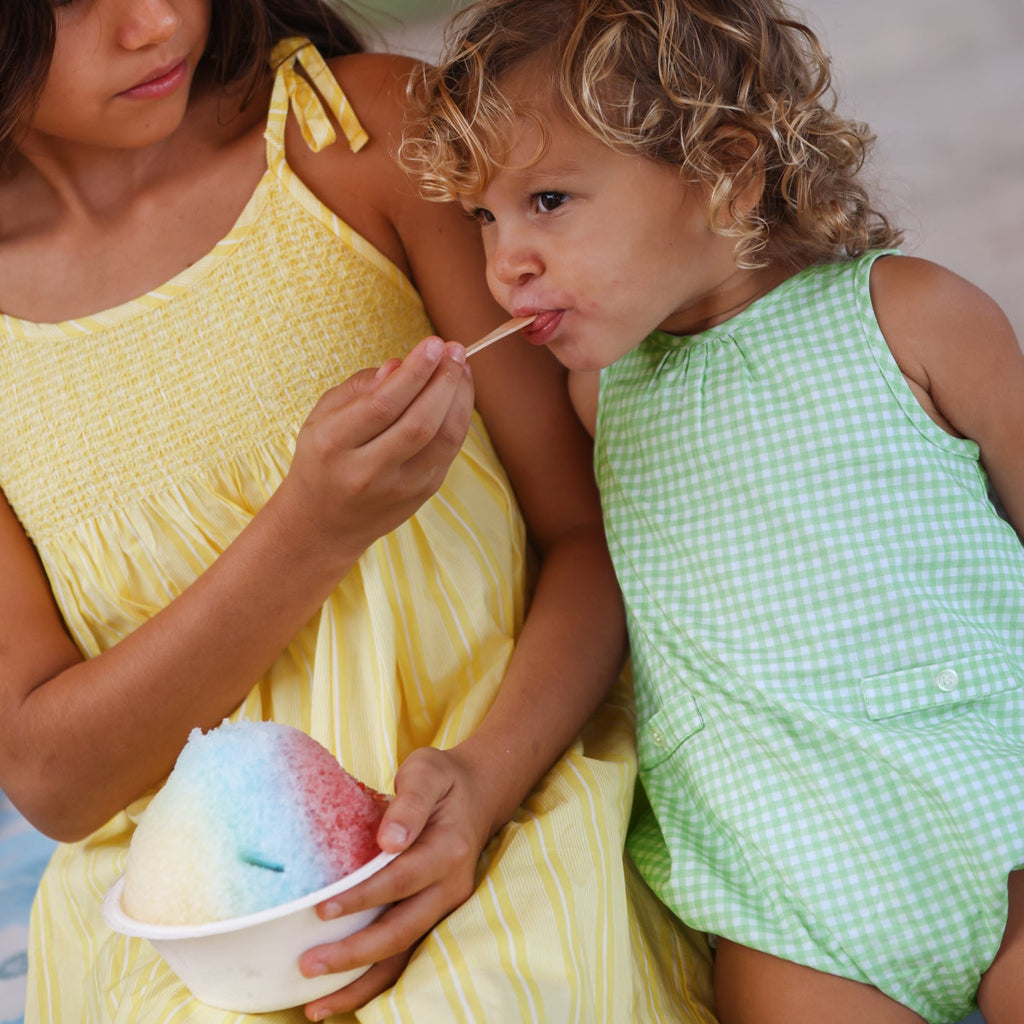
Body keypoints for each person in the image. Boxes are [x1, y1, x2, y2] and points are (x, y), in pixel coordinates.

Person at [0, 1, 718, 1022]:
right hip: (187, 919)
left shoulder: (360, 135)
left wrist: (478, 792)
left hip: (506, 795)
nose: (154, 20)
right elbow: (52, 780)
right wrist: (310, 531)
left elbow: (589, 531)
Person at [404, 1, 1024, 1022]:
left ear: (726, 172)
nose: (503, 260)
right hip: (789, 903)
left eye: (548, 199)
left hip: (996, 817)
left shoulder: (909, 318)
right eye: (485, 217)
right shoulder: (602, 398)